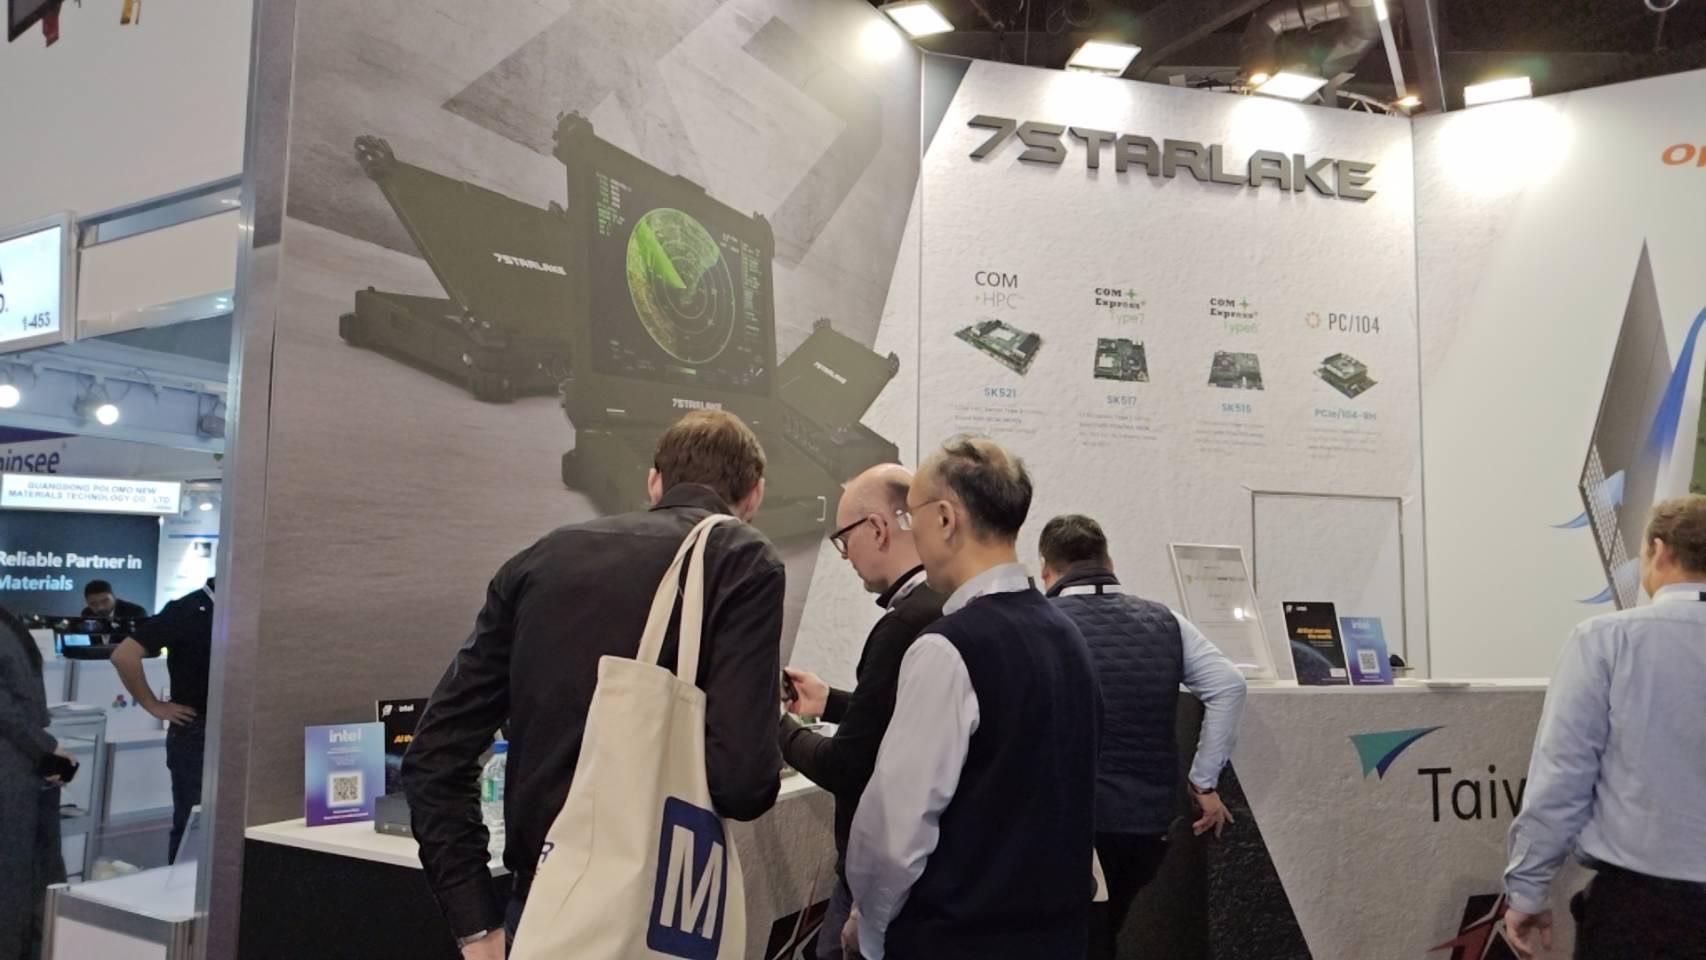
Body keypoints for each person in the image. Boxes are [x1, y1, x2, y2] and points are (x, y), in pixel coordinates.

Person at [402, 411, 787, 960]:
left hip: (539, 906)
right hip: (656, 910)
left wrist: (476, 922)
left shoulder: (540, 558)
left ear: (654, 482)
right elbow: (744, 785)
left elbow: (434, 756)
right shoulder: (743, 560)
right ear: (754, 495)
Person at [844, 436, 1099, 960]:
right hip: (1057, 935)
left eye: (911, 516)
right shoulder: (1067, 635)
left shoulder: (948, 649)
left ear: (944, 518)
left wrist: (869, 928)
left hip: (958, 937)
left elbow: (895, 830)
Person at [1503, 495, 1706, 959]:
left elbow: (1562, 778)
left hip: (1641, 912)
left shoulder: (1606, 641)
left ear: (1658, 550)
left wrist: (1528, 889)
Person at [1037, 514, 1248, 960]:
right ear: (1109, 562)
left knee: (1069, 937)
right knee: (1107, 929)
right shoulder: (1165, 621)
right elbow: (1229, 685)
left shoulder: (1039, 624)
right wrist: (1203, 781)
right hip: (1146, 823)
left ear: (1046, 570)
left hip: (1068, 823)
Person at [780, 464, 945, 960]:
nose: (845, 555)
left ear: (876, 528)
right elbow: (904, 720)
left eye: (843, 539)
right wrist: (829, 701)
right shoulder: (949, 604)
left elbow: (848, 765)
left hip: (883, 870)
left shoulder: (902, 627)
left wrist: (778, 728)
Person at [111, 578, 214, 864]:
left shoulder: (239, 611)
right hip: (197, 730)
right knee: (192, 822)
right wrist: (153, 705)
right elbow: (124, 655)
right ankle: (182, 887)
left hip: (232, 726)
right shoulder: (187, 609)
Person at [0, 604, 74, 960]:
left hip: (23, 762)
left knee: (34, 868)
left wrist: (45, 753)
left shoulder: (7, 621)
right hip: (12, 764)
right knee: (13, 871)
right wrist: (46, 749)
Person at [81, 580, 147, 620]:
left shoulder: (136, 613)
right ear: (87, 602)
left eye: (105, 601)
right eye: (93, 603)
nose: (100, 607)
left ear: (114, 597)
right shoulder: (87, 614)